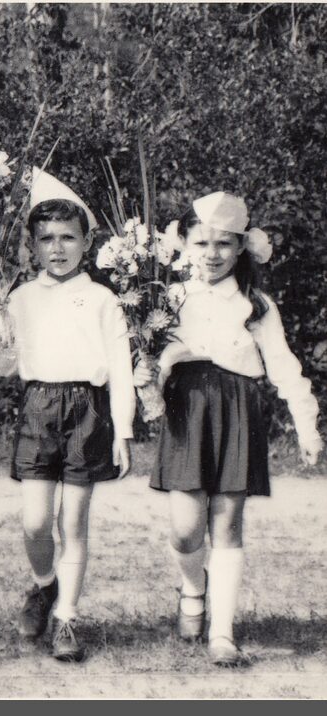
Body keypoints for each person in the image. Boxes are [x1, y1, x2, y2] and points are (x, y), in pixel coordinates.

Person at [135, 192, 323, 667]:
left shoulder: (256, 304)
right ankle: (193, 587)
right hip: (187, 409)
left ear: (241, 247)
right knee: (185, 530)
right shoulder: (168, 298)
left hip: (238, 408)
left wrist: (306, 426)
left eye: (223, 243)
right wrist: (148, 378)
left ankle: (222, 633)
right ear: (185, 245)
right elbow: (151, 359)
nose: (212, 254)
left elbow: (283, 365)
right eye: (202, 243)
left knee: (227, 523)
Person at [0, 168, 135, 662]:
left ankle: (67, 616)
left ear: (87, 243)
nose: (57, 248)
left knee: (73, 521)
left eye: (68, 237)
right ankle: (45, 584)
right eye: (46, 239)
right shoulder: (19, 298)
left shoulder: (103, 299)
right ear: (32, 245)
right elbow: (1, 366)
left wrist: (123, 430)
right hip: (39, 407)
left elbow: (121, 369)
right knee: (34, 522)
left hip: (88, 410)